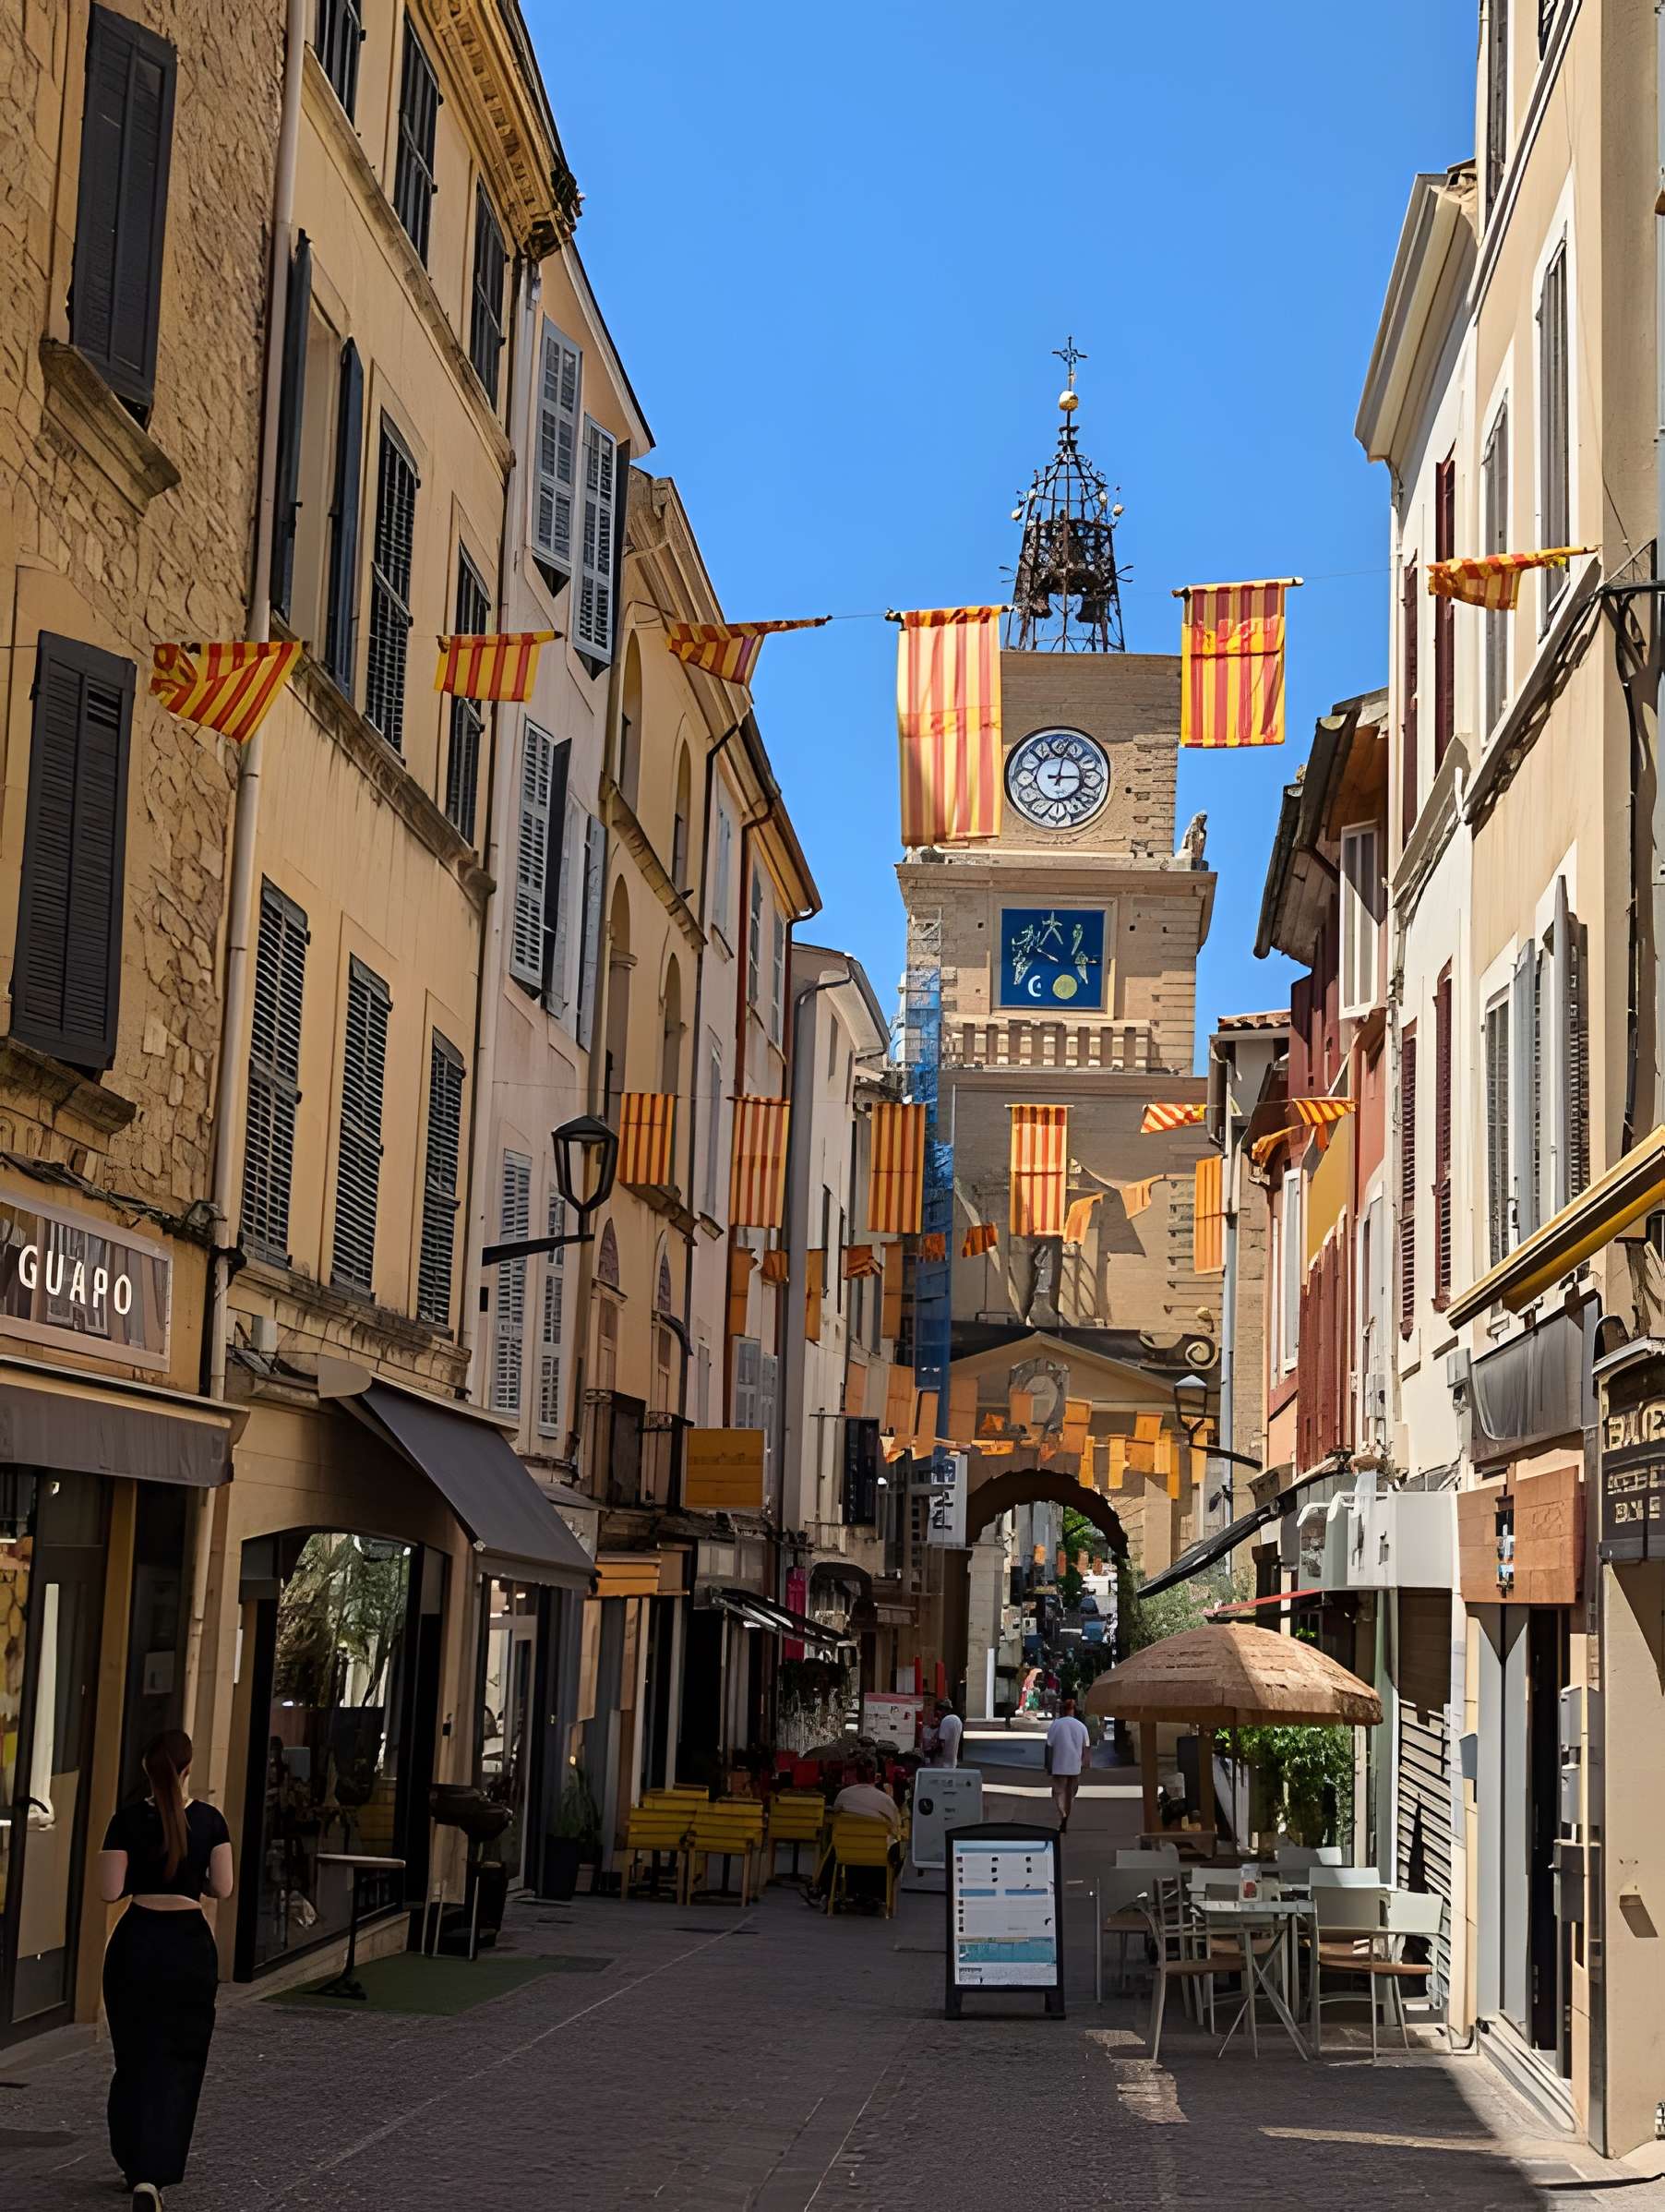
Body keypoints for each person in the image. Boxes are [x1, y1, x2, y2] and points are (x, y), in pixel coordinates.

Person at [99, 1729, 234, 2210]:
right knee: (180, 2059)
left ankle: (134, 2163)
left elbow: (109, 1891)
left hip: (137, 1942)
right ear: (188, 1767)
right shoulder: (211, 1821)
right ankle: (153, 2173)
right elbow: (223, 1887)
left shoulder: (126, 1820)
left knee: (134, 2057)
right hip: (189, 1946)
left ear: (145, 1770)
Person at [807, 1761, 901, 1906]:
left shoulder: (843, 1795)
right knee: (898, 1850)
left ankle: (827, 1889)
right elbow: (895, 1828)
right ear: (875, 1777)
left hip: (846, 1853)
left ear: (855, 1775)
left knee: (835, 1842)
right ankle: (880, 1894)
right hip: (877, 1856)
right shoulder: (886, 1801)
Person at [1044, 1695, 1092, 1833]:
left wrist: (1048, 1766)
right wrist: (1085, 1764)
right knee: (1070, 1794)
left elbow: (1049, 1746)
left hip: (1059, 1765)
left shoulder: (1056, 1725)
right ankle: (1067, 1816)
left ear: (1063, 1710)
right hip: (1075, 1766)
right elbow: (1086, 1747)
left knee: (1059, 1792)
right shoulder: (1081, 1726)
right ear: (1074, 1711)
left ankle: (1063, 1815)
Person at [923, 1698, 963, 1768]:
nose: (938, 1713)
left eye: (940, 1710)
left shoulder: (946, 1721)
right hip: (952, 1762)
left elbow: (941, 1744)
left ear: (945, 1710)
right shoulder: (957, 1720)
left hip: (941, 1763)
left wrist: (929, 1753)